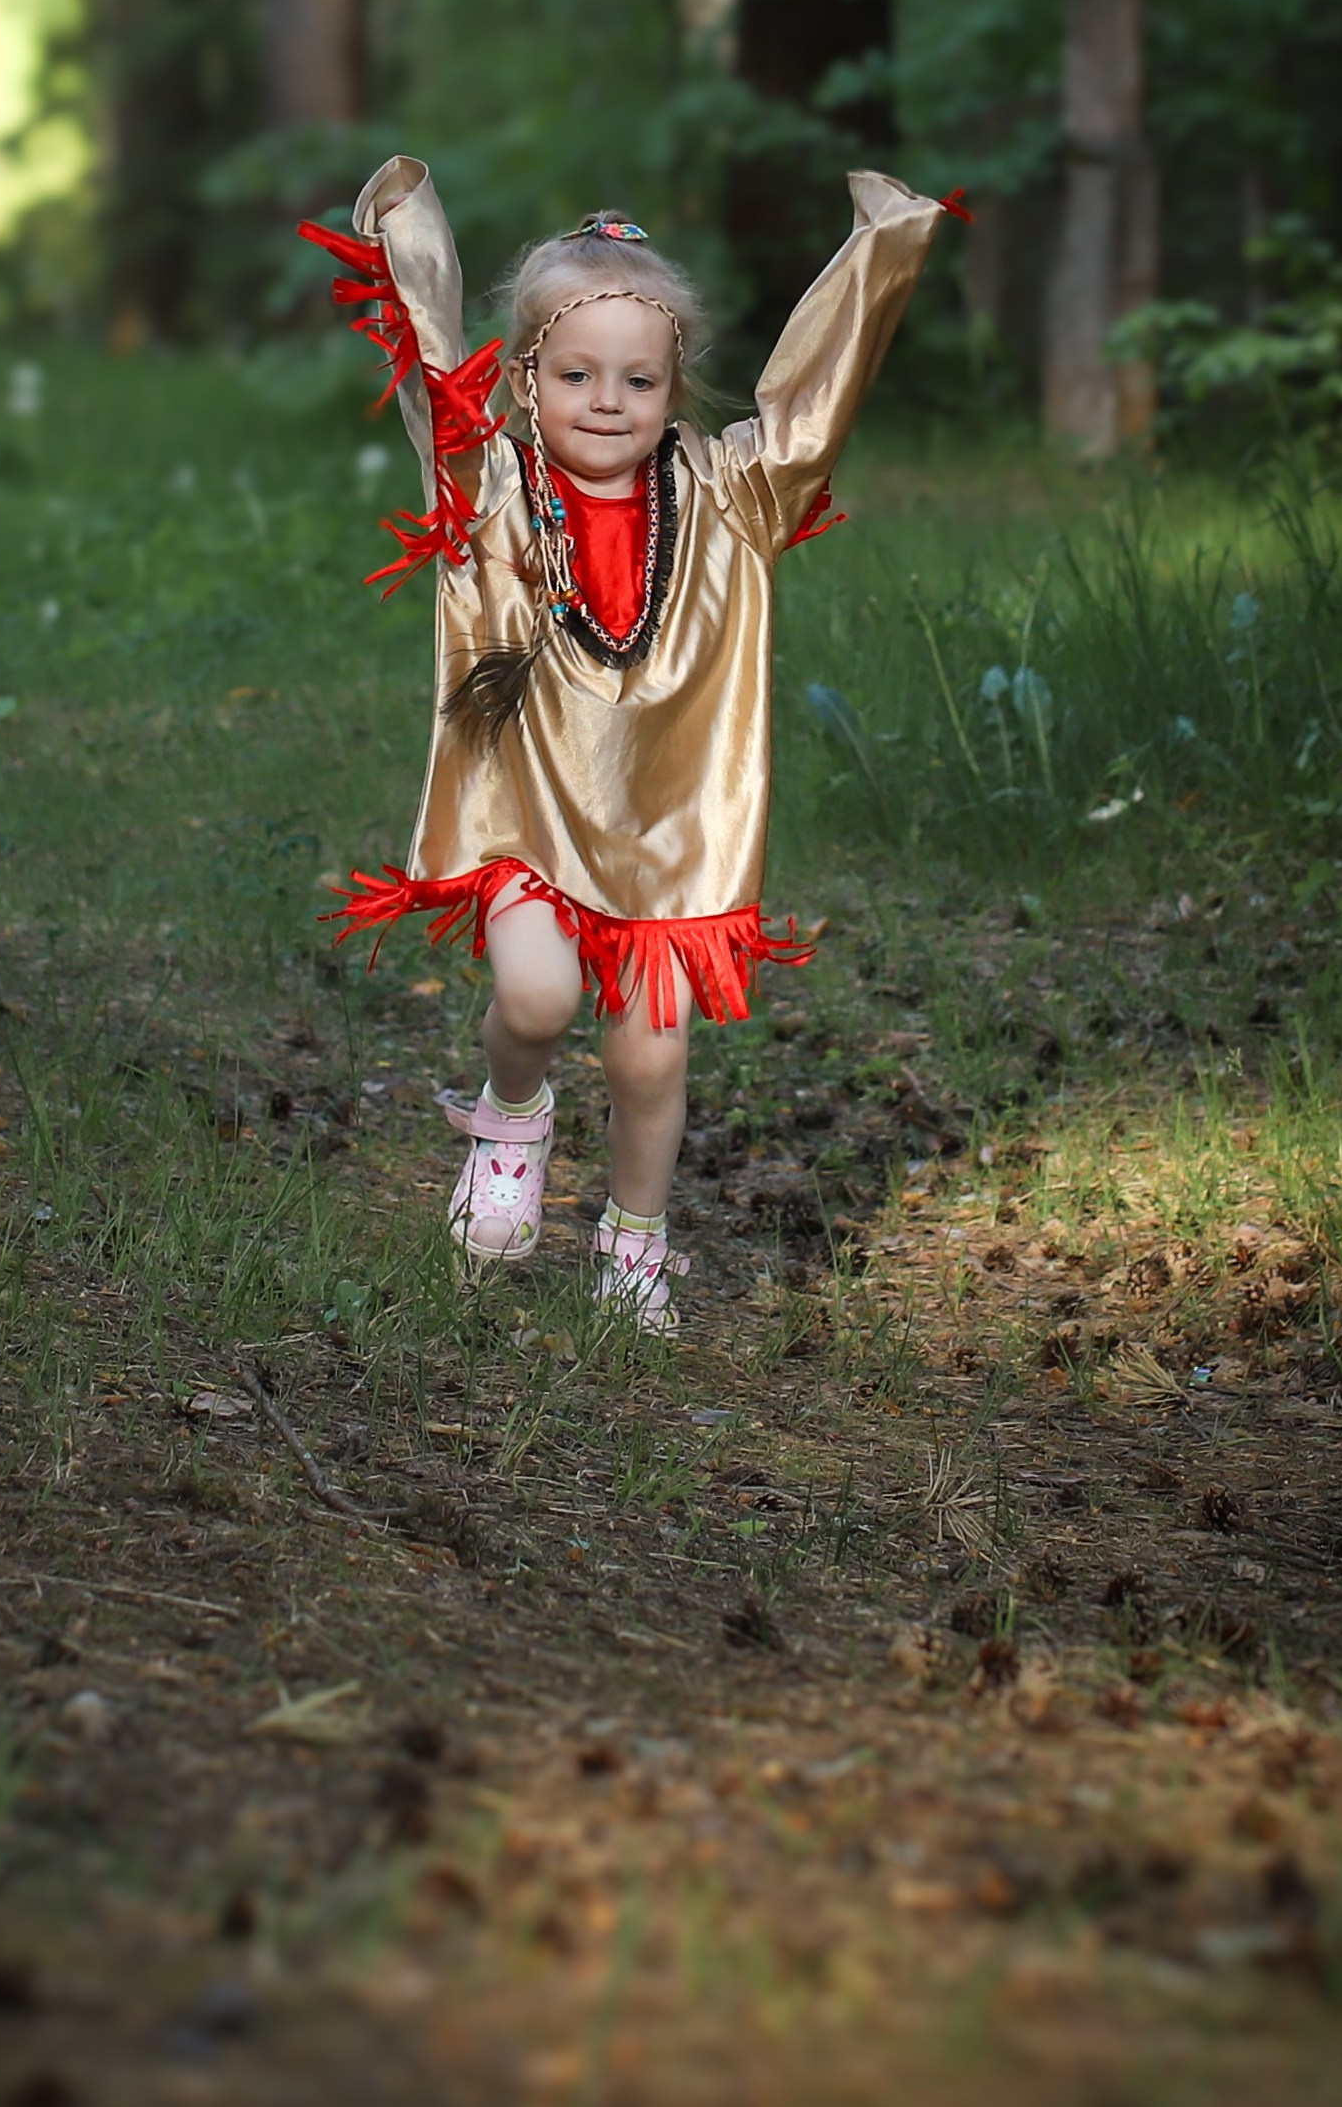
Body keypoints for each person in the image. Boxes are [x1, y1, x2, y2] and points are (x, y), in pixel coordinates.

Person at [301, 158, 959, 1334]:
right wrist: (409, 234)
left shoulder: (725, 495)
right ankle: (510, 1119)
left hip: (666, 835)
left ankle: (632, 1242)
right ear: (523, 378)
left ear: (672, 384)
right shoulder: (490, 486)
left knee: (651, 1060)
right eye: (574, 373)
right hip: (523, 815)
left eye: (638, 378)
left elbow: (809, 412)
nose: (606, 400)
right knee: (536, 995)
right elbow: (434, 380)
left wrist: (884, 245)